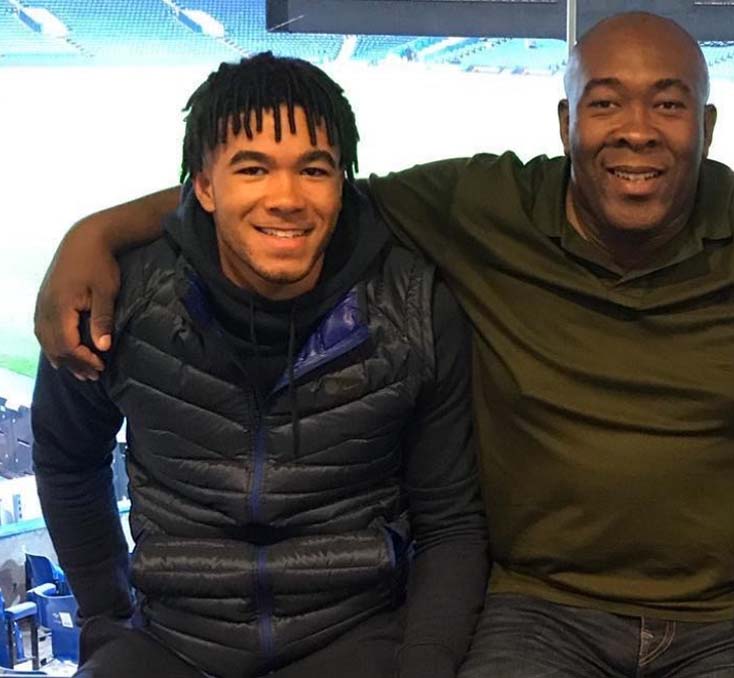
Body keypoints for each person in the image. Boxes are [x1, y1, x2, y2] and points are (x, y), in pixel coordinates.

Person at [33, 13, 734, 677]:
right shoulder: (482, 205)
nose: (634, 129)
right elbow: (291, 194)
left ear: (708, 123)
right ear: (562, 122)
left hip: (719, 617)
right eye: (604, 101)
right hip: (536, 609)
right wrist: (99, 232)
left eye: (667, 104)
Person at [30, 53, 487, 678]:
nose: (287, 199)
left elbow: (451, 524)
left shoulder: (413, 306)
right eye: (253, 168)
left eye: (314, 169)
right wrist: (106, 620)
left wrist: (426, 665)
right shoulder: (119, 297)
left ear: (343, 182)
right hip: (171, 639)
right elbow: (66, 460)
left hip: (355, 637)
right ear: (205, 185)